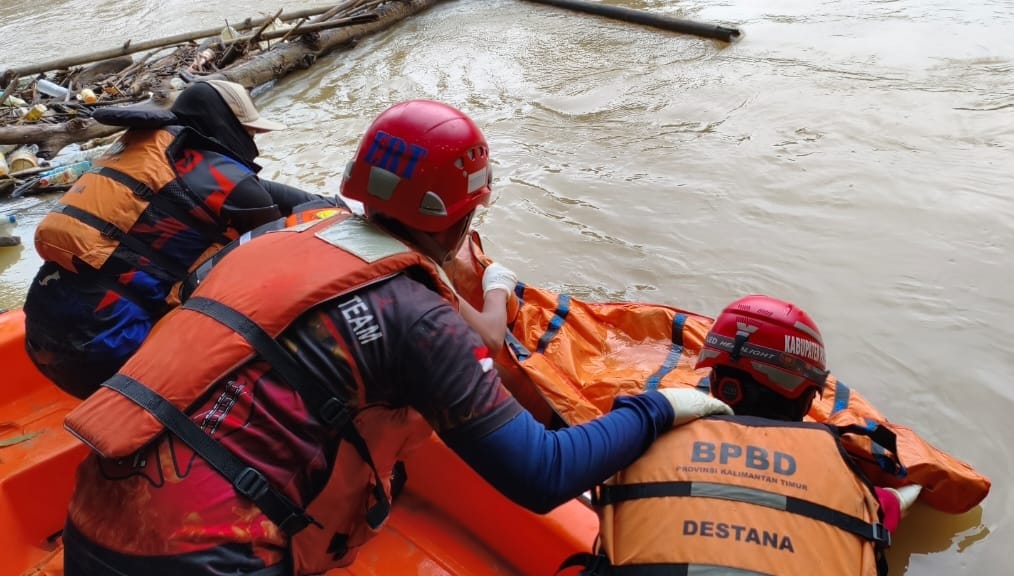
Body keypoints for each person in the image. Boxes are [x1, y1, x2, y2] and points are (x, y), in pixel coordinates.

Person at [59, 99, 734, 576]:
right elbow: (542, 474)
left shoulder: (282, 234)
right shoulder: (418, 316)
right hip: (204, 559)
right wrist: (657, 408)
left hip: (89, 524)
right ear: (466, 212)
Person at [566, 295, 922, 576]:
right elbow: (899, 500)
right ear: (806, 398)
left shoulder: (640, 442)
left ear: (721, 385)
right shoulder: (854, 484)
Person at [23, 79, 328, 399]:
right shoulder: (228, 182)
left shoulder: (148, 150)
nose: (253, 142)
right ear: (226, 126)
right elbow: (285, 248)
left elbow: (260, 192)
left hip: (43, 337)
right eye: (250, 132)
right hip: (107, 357)